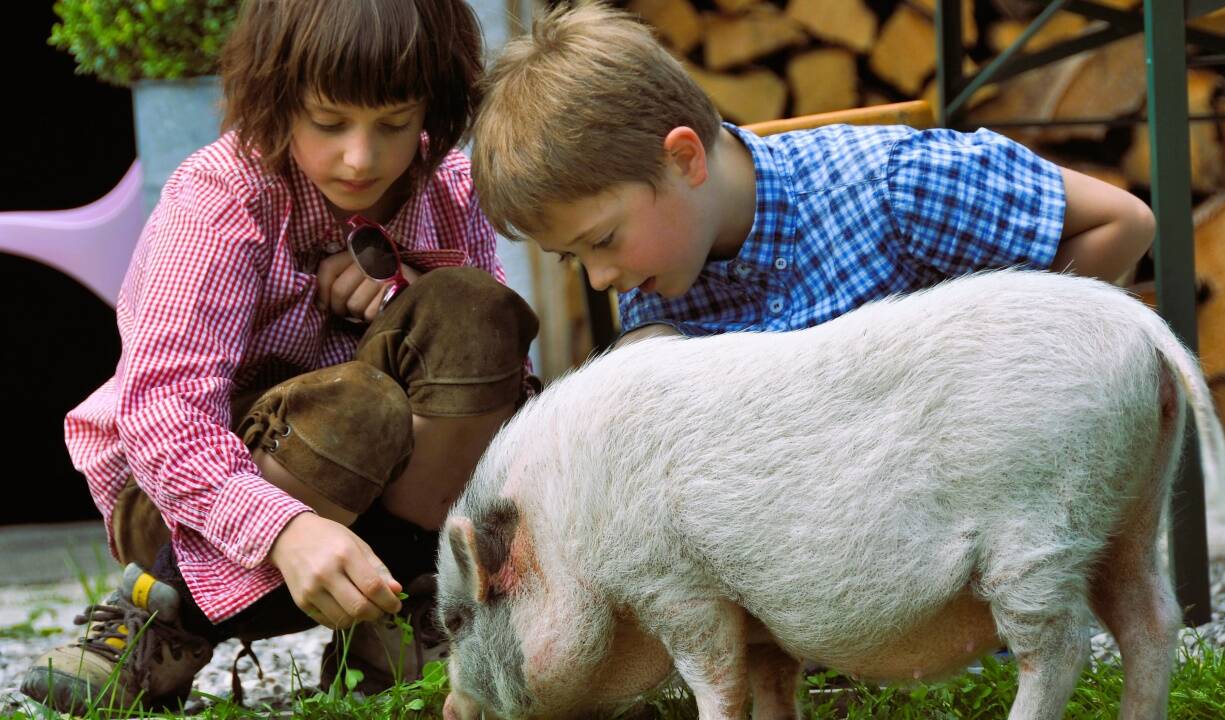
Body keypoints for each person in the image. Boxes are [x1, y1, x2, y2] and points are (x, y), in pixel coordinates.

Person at [21, 0, 538, 713]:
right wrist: (283, 528)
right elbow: (164, 415)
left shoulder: (446, 187)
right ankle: (159, 616)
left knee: (473, 308)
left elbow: (497, 392)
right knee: (359, 406)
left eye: (393, 123)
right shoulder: (223, 193)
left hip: (378, 524)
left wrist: (408, 292)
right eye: (329, 122)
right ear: (278, 96)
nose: (362, 157)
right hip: (186, 511)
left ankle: (403, 621)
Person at [469, 1, 1154, 348]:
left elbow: (1124, 221)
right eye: (573, 259)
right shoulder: (662, 282)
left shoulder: (895, 186)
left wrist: (995, 366)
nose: (599, 279)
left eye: (603, 239)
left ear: (684, 159)